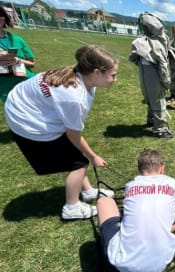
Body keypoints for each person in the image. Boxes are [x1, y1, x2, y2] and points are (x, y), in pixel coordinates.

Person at [4, 45, 117, 220]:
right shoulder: (73, 97)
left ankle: (87, 192)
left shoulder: (79, 76)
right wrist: (93, 156)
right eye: (113, 75)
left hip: (23, 105)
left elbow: (71, 134)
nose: (115, 79)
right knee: (78, 164)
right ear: (96, 73)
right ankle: (72, 207)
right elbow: (73, 135)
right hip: (25, 119)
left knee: (74, 155)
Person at [96, 149, 175, 272]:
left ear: (139, 170)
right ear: (162, 169)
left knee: (105, 201)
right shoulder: (171, 183)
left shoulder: (130, 186)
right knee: (159, 254)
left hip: (120, 264)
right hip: (159, 260)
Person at [129, 12, 173, 139]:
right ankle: (159, 128)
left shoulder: (143, 41)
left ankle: (151, 119)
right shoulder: (157, 42)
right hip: (153, 73)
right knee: (158, 99)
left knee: (149, 96)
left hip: (144, 71)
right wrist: (166, 83)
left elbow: (134, 58)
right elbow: (163, 66)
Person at [0, 5, 35, 102]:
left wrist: (18, 60)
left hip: (28, 82)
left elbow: (32, 63)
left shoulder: (17, 39)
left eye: (0, 14)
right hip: (7, 88)